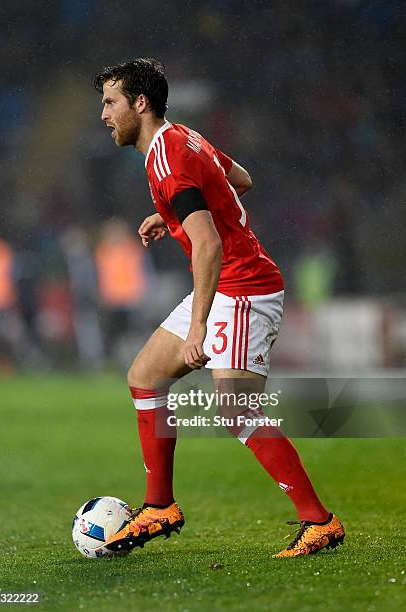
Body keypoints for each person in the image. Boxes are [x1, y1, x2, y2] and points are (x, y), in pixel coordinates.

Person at [93, 58, 345, 558]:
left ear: (139, 104)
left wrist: (199, 328)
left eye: (110, 102)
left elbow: (209, 247)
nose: (104, 114)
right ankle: (160, 505)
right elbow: (241, 180)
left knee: (236, 407)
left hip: (244, 286)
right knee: (144, 376)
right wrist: (172, 214)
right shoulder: (183, 137)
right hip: (228, 281)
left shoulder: (167, 158)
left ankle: (319, 521)